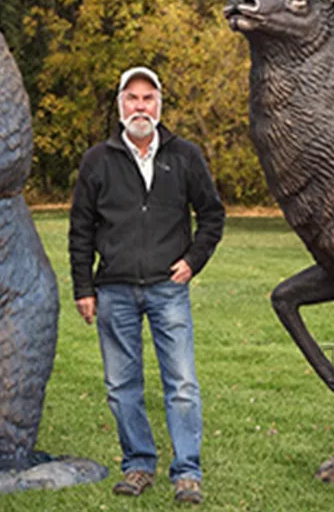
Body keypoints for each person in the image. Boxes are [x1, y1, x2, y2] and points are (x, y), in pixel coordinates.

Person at [69, 67, 225, 505]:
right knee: (122, 386)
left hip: (167, 288)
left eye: (148, 98)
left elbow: (212, 215)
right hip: (114, 288)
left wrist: (193, 261)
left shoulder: (186, 155)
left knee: (181, 383)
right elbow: (80, 228)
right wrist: (84, 287)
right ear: (120, 105)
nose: (141, 106)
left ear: (160, 105)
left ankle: (187, 472)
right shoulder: (97, 160)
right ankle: (138, 465)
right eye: (132, 98)